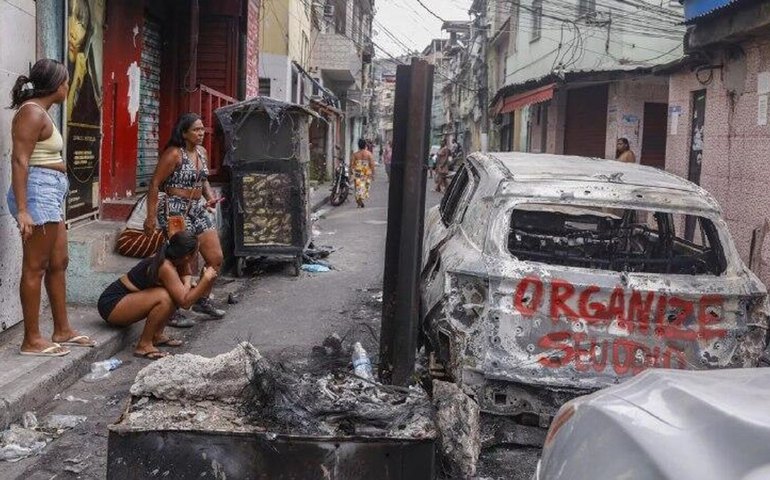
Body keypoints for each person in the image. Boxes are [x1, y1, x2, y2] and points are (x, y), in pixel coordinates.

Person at [7, 58, 96, 357]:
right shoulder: (32, 113)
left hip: (49, 191)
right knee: (35, 266)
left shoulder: (41, 112)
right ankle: (31, 340)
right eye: (66, 81)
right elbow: (19, 160)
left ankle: (62, 329)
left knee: (59, 262)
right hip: (36, 192)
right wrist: (23, 210)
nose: (68, 86)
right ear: (57, 84)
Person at [144, 113, 226, 325]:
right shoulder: (174, 154)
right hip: (175, 210)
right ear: (184, 133)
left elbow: (203, 180)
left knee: (215, 257)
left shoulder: (202, 152)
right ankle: (171, 310)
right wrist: (150, 217)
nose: (201, 133)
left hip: (197, 208)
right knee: (181, 260)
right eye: (196, 130)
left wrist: (210, 197)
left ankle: (202, 300)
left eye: (202, 129)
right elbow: (155, 183)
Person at [98, 231, 217, 360]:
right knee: (164, 296)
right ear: (188, 256)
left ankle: (156, 336)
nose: (197, 254)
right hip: (111, 305)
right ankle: (144, 345)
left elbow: (186, 278)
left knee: (172, 293)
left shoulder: (178, 259)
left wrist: (187, 285)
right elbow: (185, 302)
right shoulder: (165, 266)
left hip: (125, 302)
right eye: (196, 251)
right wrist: (205, 280)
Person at [350, 138, 376, 208]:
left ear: (358, 146)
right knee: (364, 186)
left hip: (358, 171)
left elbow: (352, 165)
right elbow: (372, 164)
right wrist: (373, 174)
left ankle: (359, 201)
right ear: (365, 145)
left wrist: (351, 173)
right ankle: (360, 200)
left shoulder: (355, 154)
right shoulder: (369, 154)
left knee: (358, 186)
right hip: (366, 171)